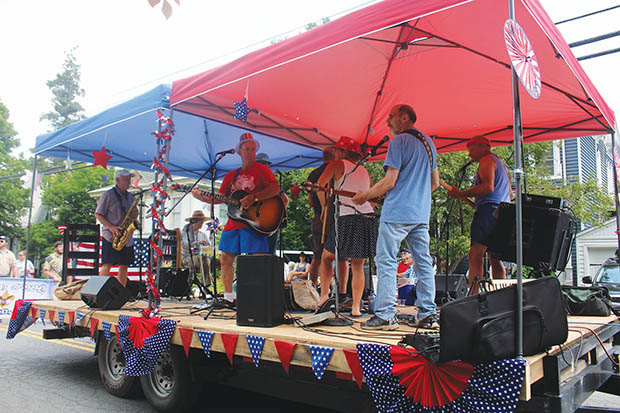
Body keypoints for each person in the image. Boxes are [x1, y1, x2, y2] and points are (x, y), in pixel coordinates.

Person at [352, 104, 439, 330]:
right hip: (420, 214)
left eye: (390, 117)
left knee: (386, 261)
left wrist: (365, 196)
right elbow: (435, 183)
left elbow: (390, 181)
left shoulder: (399, 141)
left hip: (397, 213)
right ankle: (428, 314)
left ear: (404, 117)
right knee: (423, 262)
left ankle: (385, 315)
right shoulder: (429, 143)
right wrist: (416, 195)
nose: (387, 121)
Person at [192, 133, 281, 306]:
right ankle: (229, 297)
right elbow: (220, 197)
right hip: (234, 222)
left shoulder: (262, 170)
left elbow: (275, 188)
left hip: (254, 222)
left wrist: (254, 197)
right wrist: (202, 197)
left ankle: (257, 297)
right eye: (247, 149)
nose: (250, 152)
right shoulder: (232, 175)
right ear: (239, 151)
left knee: (257, 259)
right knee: (225, 258)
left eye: (253, 149)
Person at [317, 136, 377, 318]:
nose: (334, 152)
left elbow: (319, 186)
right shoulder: (364, 170)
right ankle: (356, 307)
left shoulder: (336, 164)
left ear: (343, 152)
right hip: (367, 217)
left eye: (337, 150)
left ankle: (324, 296)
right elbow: (373, 199)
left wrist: (325, 206)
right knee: (357, 264)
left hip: (347, 217)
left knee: (326, 257)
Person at [447, 136, 512, 294]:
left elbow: (488, 187)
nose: (470, 154)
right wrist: (466, 198)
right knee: (495, 257)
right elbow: (510, 194)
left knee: (475, 255)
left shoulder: (486, 160)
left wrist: (462, 193)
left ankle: (474, 295)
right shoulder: (502, 165)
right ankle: (501, 294)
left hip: (488, 211)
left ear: (484, 147)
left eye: (472, 150)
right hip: (503, 212)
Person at [94, 169, 138, 287]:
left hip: (126, 236)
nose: (129, 182)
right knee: (107, 263)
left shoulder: (131, 196)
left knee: (124, 264)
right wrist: (111, 227)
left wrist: (135, 214)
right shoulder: (108, 195)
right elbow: (98, 214)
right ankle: (99, 290)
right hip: (111, 235)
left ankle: (121, 291)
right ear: (118, 180)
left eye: (130, 179)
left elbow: (134, 215)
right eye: (126, 179)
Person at [307, 148, 335, 287]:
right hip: (334, 217)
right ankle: (335, 290)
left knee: (317, 257)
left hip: (318, 217)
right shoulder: (336, 171)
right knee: (337, 256)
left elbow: (310, 201)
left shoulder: (313, 174)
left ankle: (312, 288)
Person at [256, 152, 289, 255]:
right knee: (268, 254)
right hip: (265, 223)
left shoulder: (263, 182)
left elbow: (285, 199)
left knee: (255, 254)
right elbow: (285, 200)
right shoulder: (271, 182)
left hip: (259, 222)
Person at [181, 210, 212, 287]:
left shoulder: (203, 235)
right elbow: (184, 245)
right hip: (188, 258)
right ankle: (205, 285)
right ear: (195, 222)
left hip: (202, 257)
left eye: (202, 222)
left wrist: (206, 246)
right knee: (203, 260)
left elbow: (209, 248)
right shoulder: (185, 233)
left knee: (209, 259)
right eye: (200, 221)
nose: (202, 223)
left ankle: (207, 284)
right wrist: (196, 244)